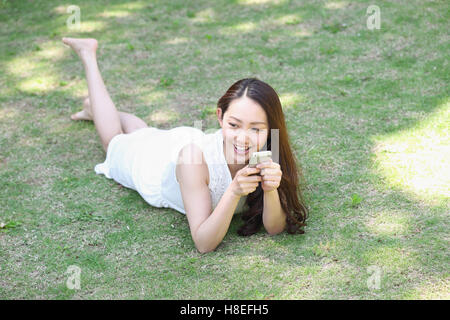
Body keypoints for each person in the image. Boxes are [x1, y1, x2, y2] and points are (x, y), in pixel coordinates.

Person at [62, 37, 308, 253]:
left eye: (255, 128)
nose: (243, 138)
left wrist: (270, 189)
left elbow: (275, 228)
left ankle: (94, 108)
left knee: (144, 132)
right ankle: (88, 55)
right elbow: (204, 243)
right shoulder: (194, 161)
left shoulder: (267, 151)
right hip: (155, 164)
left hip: (182, 140)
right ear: (220, 117)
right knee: (114, 141)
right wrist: (234, 191)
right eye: (234, 125)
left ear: (270, 129)